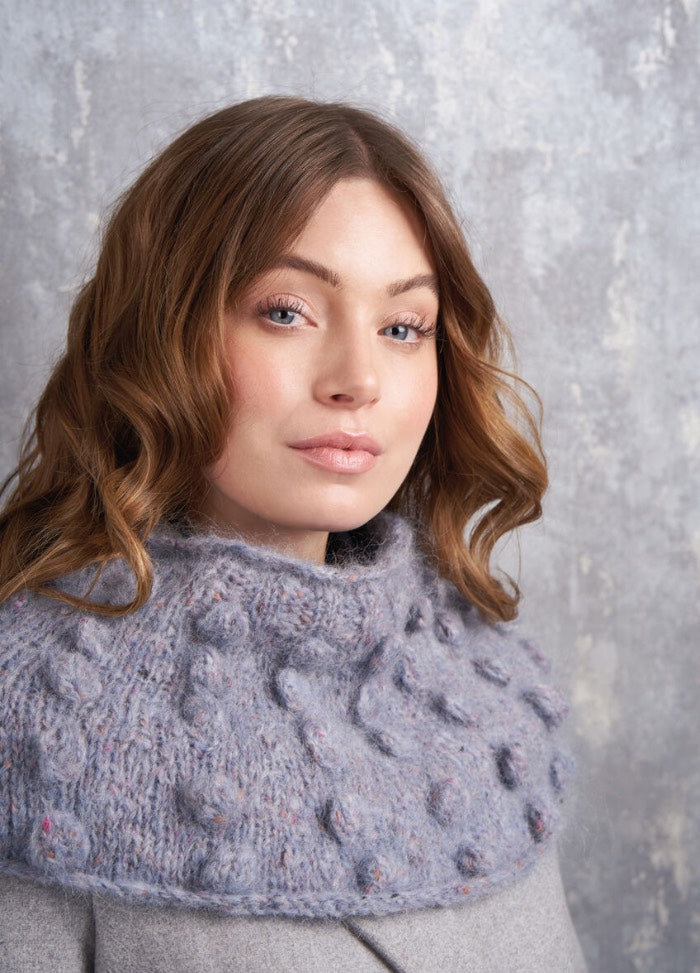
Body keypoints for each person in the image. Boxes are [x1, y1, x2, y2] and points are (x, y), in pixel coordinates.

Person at [0, 96, 588, 972]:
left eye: (402, 327)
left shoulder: (485, 689)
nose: (359, 378)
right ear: (161, 332)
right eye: (286, 311)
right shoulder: (37, 728)